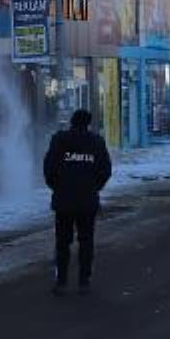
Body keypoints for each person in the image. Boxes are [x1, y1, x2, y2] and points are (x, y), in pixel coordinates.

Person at [43, 109, 112, 295]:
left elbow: (49, 168)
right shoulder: (96, 142)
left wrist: (58, 187)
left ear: (72, 122)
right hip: (87, 201)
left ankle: (61, 281)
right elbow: (105, 170)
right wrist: (93, 187)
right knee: (86, 241)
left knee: (62, 242)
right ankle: (84, 280)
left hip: (63, 201)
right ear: (88, 123)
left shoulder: (59, 140)